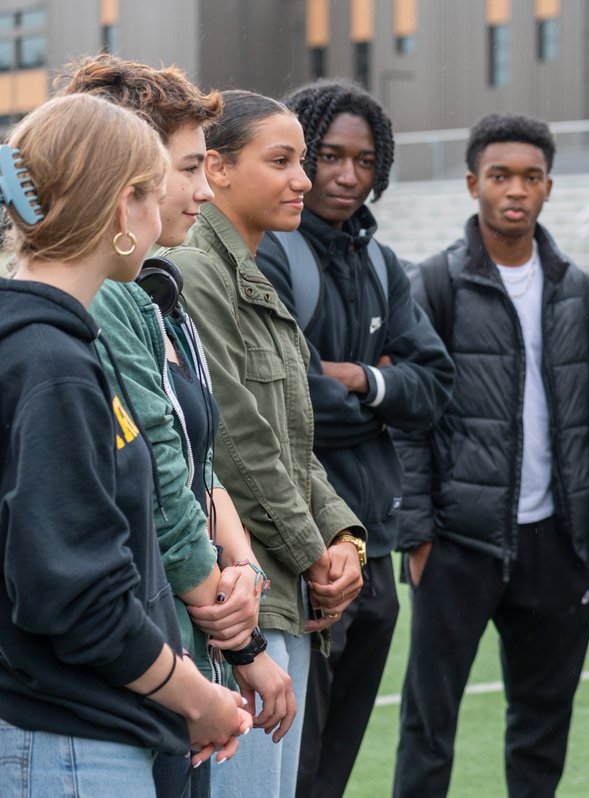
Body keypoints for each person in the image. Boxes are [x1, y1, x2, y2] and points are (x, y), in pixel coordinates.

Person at [0, 92, 252, 797]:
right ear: (121, 209)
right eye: (155, 190)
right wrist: (197, 697)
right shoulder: (50, 363)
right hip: (65, 741)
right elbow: (76, 598)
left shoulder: (58, 348)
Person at [61, 55, 298, 798]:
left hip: (180, 631)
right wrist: (242, 634)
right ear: (124, 171)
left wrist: (243, 570)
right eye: (189, 167)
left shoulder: (149, 287)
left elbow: (201, 460)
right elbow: (160, 477)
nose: (203, 189)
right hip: (138, 652)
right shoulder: (96, 299)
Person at [393, 112, 589, 797]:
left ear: (548, 187)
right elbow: (410, 419)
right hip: (459, 544)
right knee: (429, 726)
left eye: (529, 177)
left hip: (558, 541)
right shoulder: (435, 283)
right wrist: (418, 533)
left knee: (542, 726)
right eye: (499, 176)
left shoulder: (577, 291)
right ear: (473, 185)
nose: (514, 190)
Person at [160, 89, 366, 798]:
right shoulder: (192, 271)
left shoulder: (248, 270)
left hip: (278, 588)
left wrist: (342, 535)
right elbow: (238, 443)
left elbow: (292, 436)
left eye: (300, 161)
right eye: (281, 161)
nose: (303, 181)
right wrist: (316, 552)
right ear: (214, 169)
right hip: (237, 598)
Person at [255, 79, 454, 798]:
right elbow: (289, 403)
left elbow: (435, 386)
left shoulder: (379, 261)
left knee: (334, 766)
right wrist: (381, 389)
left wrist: (361, 382)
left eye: (364, 160)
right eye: (328, 156)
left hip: (371, 547)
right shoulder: (272, 255)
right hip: (297, 549)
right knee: (291, 761)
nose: (346, 175)